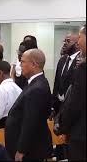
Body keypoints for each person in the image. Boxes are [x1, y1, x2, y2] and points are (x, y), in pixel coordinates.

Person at [5, 49, 53, 161]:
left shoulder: (37, 88)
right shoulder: (34, 83)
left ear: (33, 64)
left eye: (22, 62)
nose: (20, 65)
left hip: (30, 150)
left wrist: (21, 150)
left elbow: (30, 122)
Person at [59, 24, 86, 161]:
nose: (79, 42)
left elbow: (75, 102)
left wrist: (63, 127)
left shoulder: (82, 68)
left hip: (80, 134)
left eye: (81, 37)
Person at [51, 33, 80, 160]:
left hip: (71, 107)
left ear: (77, 43)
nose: (64, 43)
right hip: (59, 107)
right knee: (59, 143)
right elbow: (56, 84)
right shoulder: (62, 60)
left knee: (69, 143)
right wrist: (53, 106)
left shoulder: (81, 62)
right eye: (64, 41)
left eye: (68, 41)